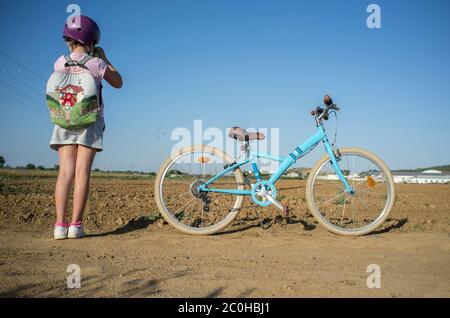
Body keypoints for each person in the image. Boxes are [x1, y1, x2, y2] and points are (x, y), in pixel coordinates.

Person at [51, 15, 122, 239]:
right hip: (90, 120)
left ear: (69, 40)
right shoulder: (97, 63)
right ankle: (76, 226)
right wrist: (105, 58)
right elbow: (118, 82)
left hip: (64, 119)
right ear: (92, 42)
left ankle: (59, 226)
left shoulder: (59, 62)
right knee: (82, 173)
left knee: (65, 173)